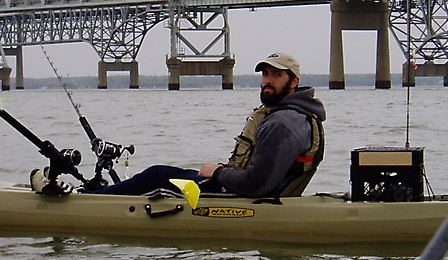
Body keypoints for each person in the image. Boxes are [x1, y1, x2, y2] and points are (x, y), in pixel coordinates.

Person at [87, 52, 326, 198]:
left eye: (276, 75)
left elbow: (256, 185)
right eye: (265, 74)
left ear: (294, 82)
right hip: (243, 190)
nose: (267, 81)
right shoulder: (298, 116)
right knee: (165, 174)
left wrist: (218, 172)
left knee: (156, 175)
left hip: (236, 197)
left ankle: (87, 201)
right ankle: (95, 196)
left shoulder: (283, 123)